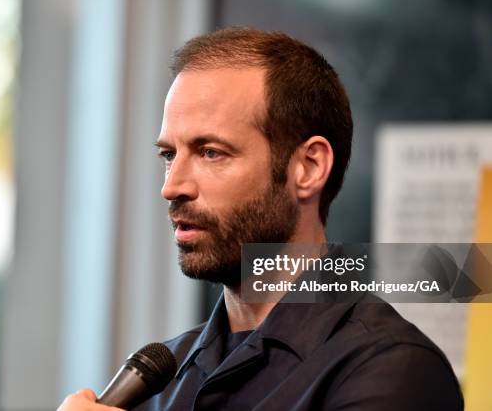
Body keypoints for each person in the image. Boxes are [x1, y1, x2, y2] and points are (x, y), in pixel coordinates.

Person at [58, 27, 463, 410]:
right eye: (169, 155)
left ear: (308, 167)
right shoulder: (162, 377)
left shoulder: (390, 368)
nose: (173, 186)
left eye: (210, 152)